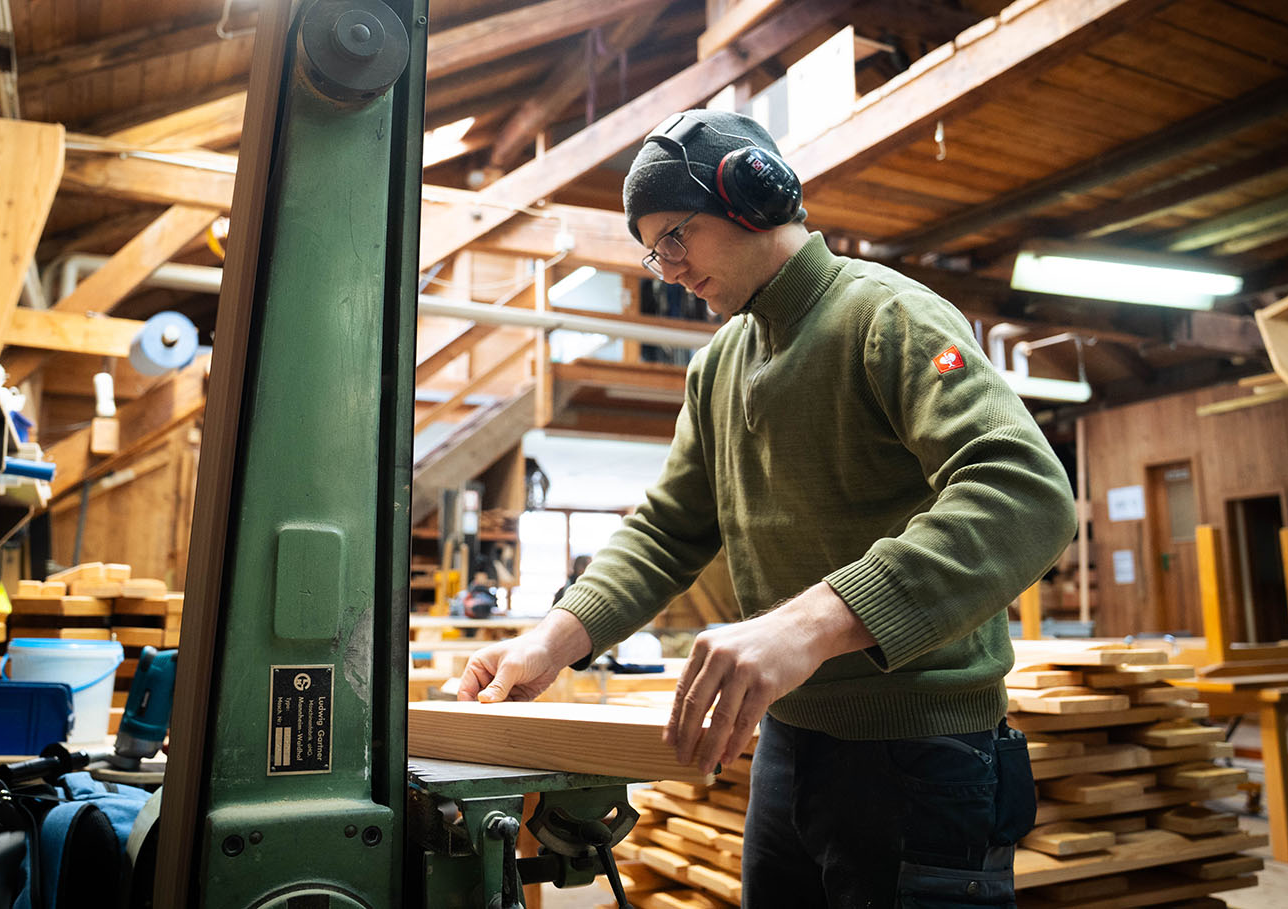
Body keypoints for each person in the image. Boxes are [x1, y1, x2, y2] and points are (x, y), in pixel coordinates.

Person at [458, 109, 1076, 906]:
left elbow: (1024, 490)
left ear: (754, 195)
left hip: (920, 749)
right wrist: (551, 639)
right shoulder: (718, 366)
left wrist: (810, 623)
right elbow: (666, 530)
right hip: (788, 741)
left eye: (675, 236)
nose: (667, 268)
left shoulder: (888, 317)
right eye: (654, 250)